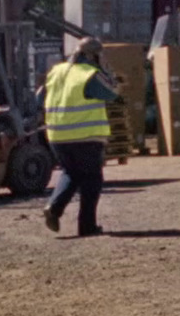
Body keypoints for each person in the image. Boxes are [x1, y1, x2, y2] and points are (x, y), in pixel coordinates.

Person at [37, 36, 121, 237]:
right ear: (94, 56)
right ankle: (87, 226)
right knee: (92, 178)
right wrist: (107, 71)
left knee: (71, 172)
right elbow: (112, 93)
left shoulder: (57, 71)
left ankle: (54, 208)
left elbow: (39, 98)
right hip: (86, 136)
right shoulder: (89, 74)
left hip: (57, 135)